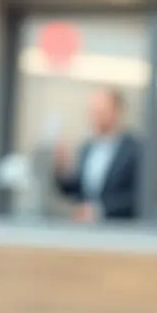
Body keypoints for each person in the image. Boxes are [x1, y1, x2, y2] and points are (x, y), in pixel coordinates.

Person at [55, 88, 140, 222]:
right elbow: (77, 191)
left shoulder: (134, 150)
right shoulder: (86, 148)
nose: (95, 117)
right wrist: (62, 169)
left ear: (117, 112)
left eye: (100, 112)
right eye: (92, 112)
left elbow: (138, 197)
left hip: (120, 231)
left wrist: (100, 210)